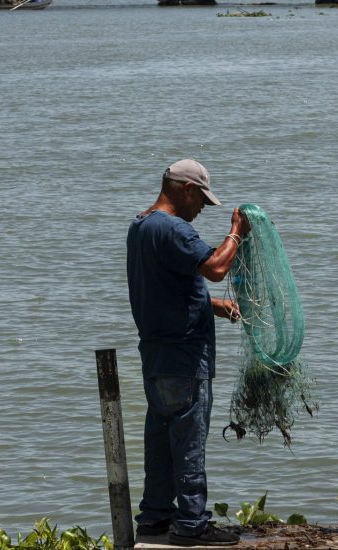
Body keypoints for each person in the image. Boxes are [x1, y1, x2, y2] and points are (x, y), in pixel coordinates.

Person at [126, 159, 250, 546]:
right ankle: (192, 524)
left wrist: (213, 306)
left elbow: (167, 287)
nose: (201, 209)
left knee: (161, 441)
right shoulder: (175, 228)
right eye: (201, 200)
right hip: (184, 359)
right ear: (185, 189)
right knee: (190, 440)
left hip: (157, 356)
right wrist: (236, 233)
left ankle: (154, 520)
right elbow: (214, 267)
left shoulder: (141, 226)